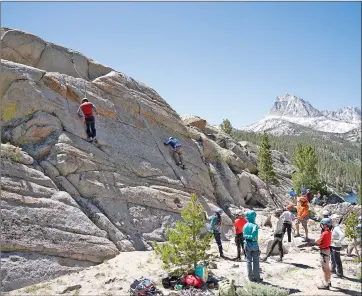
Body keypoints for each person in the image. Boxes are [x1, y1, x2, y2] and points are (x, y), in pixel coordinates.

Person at [243, 210, 262, 282]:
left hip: (246, 244)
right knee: (256, 261)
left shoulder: (245, 225)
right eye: (254, 216)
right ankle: (257, 277)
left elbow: (244, 235)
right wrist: (252, 236)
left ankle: (250, 278)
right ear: (253, 217)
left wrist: (247, 236)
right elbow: (254, 236)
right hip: (254, 244)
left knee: (248, 261)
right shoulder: (254, 225)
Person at [316, 218, 333, 290]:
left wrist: (316, 240)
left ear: (326, 225)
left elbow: (318, 242)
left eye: (323, 224)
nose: (322, 226)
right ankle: (328, 281)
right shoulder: (329, 232)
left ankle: (326, 285)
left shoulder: (324, 233)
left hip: (324, 252)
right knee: (327, 268)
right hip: (327, 250)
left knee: (324, 269)